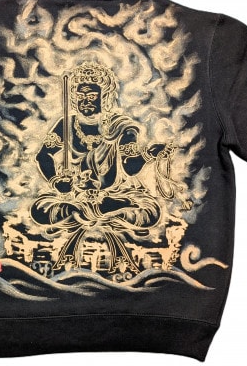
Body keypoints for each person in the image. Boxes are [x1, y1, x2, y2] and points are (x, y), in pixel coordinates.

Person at [30, 62, 169, 273]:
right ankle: (92, 210)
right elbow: (43, 156)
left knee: (151, 212)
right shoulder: (66, 125)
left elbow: (129, 167)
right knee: (39, 210)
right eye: (80, 96)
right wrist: (57, 182)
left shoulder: (121, 126)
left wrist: (148, 155)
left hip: (114, 192)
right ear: (74, 97)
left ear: (104, 96)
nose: (85, 101)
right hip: (76, 193)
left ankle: (91, 210)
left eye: (92, 95)